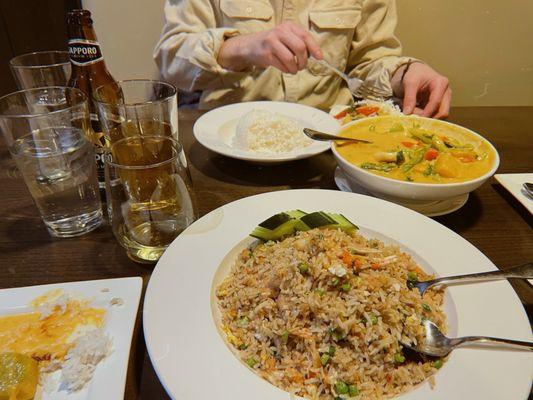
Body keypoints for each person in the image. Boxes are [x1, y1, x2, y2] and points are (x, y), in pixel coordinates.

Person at [154, 0, 451, 118]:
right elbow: (170, 58)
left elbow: (368, 63)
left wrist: (407, 72)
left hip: (328, 146)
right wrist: (243, 47)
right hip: (227, 141)